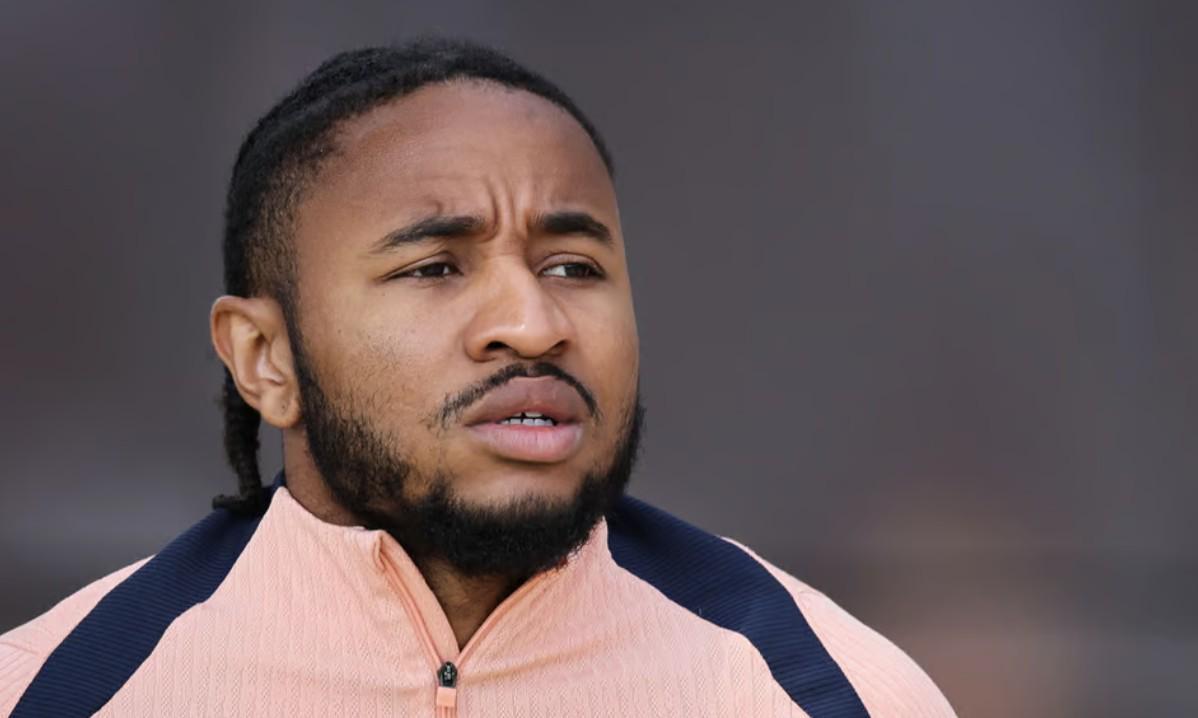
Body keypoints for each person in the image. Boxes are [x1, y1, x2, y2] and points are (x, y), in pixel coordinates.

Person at [0, 38, 955, 717]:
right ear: (265, 358)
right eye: (434, 268)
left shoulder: (831, 692)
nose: (533, 325)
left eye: (573, 266)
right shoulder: (59, 689)